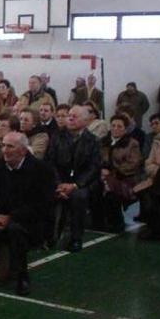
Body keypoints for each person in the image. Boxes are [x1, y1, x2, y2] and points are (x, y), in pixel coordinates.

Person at [0, 132, 56, 296]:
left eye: (10, 146)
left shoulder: (42, 170)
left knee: (15, 230)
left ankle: (22, 275)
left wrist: (11, 217)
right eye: (3, 145)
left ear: (23, 151)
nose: (5, 150)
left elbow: (41, 204)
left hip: (28, 220)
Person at [45, 105, 101, 251]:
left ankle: (76, 238)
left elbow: (94, 168)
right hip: (59, 180)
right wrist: (59, 184)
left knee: (79, 197)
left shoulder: (93, 141)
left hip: (81, 183)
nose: (70, 118)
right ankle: (48, 236)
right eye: (69, 115)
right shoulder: (56, 137)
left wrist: (75, 185)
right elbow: (50, 162)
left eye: (74, 116)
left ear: (85, 120)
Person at [99, 114, 142, 232]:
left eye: (119, 126)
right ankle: (99, 221)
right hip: (103, 174)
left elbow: (133, 163)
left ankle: (116, 223)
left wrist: (113, 171)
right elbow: (96, 159)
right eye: (113, 125)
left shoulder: (132, 143)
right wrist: (101, 169)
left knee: (111, 191)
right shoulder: (103, 142)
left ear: (125, 129)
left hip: (124, 177)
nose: (116, 129)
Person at [140, 111, 160, 240]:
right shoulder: (158, 142)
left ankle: (157, 228)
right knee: (152, 194)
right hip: (158, 179)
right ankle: (158, 227)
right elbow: (148, 164)